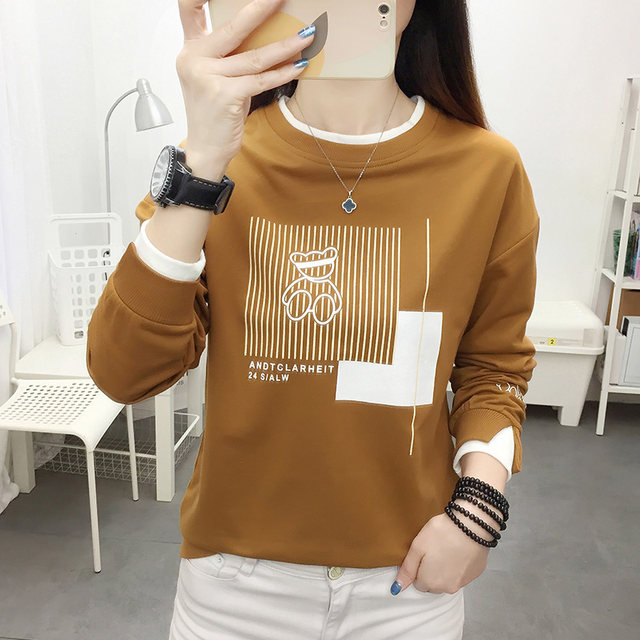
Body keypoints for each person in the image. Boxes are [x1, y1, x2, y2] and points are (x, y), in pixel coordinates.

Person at [86, 0, 540, 637]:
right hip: (232, 585)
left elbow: (494, 369)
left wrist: (478, 514)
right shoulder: (214, 164)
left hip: (407, 583)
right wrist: (205, 159)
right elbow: (123, 373)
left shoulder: (486, 170)